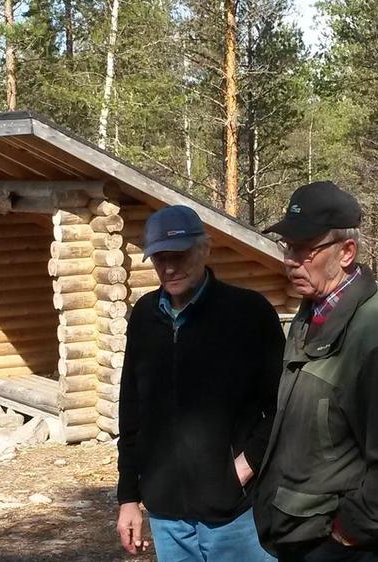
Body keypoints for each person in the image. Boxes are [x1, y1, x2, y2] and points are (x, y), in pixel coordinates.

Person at [254, 181, 378, 562]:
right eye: (288, 246)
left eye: (305, 249)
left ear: (346, 252)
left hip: (350, 547)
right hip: (303, 537)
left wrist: (349, 531)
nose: (291, 260)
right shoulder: (311, 313)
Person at [116, 205, 285, 561]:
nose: (169, 267)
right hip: (167, 516)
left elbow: (282, 404)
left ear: (204, 249)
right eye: (159, 258)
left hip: (235, 514)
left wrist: (244, 468)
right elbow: (131, 412)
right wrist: (129, 496)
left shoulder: (248, 314)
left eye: (179, 255)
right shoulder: (144, 317)